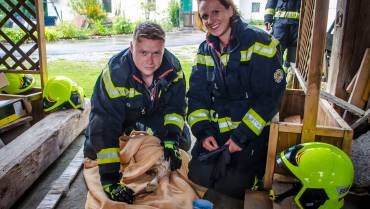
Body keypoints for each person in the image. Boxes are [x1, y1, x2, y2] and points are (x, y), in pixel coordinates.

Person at [187, 0, 286, 199]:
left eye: (216, 12)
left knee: (233, 187)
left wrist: (241, 137)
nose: (210, 20)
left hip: (250, 134)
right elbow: (197, 96)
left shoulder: (260, 42)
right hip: (217, 134)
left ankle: (252, 174)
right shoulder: (205, 49)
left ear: (230, 9)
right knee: (195, 173)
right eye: (205, 15)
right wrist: (204, 133)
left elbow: (270, 98)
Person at [84, 22, 188, 203]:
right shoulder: (115, 74)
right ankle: (132, 138)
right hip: (122, 118)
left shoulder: (174, 70)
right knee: (95, 149)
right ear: (131, 47)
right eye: (143, 52)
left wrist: (172, 138)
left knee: (183, 142)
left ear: (164, 49)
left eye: (157, 53)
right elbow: (105, 122)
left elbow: (176, 108)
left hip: (152, 114)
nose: (150, 60)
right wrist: (109, 180)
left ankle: (152, 137)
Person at [264, 0, 301, 70]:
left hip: (296, 26)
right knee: (277, 51)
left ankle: (289, 75)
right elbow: (271, 2)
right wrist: (268, 19)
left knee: (293, 54)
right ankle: (276, 75)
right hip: (280, 25)